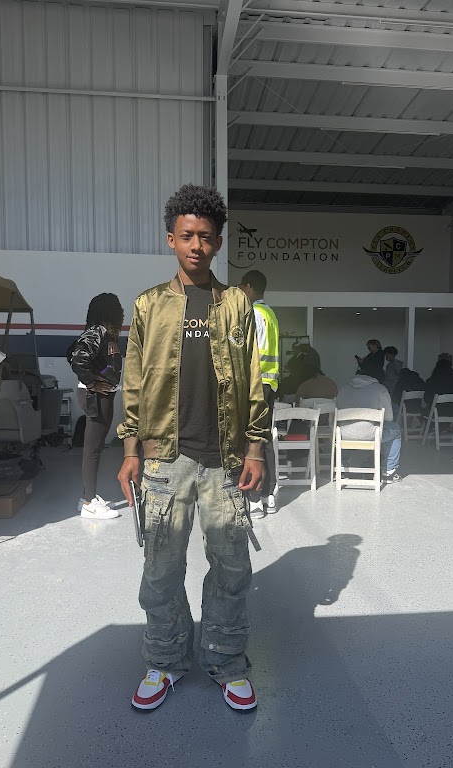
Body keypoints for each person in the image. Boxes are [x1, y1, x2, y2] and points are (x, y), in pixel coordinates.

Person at [116, 184, 269, 713]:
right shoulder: (149, 305)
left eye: (205, 236)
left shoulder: (237, 304)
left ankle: (227, 661)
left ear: (219, 242)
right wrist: (130, 450)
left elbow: (255, 379)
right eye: (187, 236)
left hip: (225, 460)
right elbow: (134, 382)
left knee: (231, 568)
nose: (196, 245)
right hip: (165, 459)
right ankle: (165, 659)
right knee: (161, 568)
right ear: (171, 240)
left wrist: (256, 449)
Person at [69, 293, 124, 520]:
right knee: (92, 450)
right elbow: (77, 358)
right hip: (95, 395)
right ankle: (89, 503)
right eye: (119, 309)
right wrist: (92, 382)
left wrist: (97, 377)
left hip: (100, 395)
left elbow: (72, 352)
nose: (122, 313)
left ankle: (86, 497)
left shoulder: (101, 333)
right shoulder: (97, 331)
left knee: (96, 448)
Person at [239, 269, 280, 519]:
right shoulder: (270, 314)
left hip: (256, 384)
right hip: (270, 383)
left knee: (251, 441)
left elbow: (249, 351)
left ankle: (254, 500)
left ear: (249, 287)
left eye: (241, 288)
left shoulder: (253, 313)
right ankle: (268, 495)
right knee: (265, 440)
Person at [336, 363, 402, 483]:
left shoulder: (343, 388)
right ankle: (388, 472)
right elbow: (389, 418)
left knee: (348, 428)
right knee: (395, 429)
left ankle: (341, 468)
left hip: (343, 434)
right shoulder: (380, 389)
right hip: (371, 435)